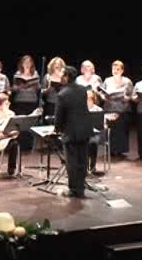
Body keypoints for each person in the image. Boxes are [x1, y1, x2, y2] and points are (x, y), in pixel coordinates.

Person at [54, 66, 93, 198]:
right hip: (84, 130)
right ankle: (80, 188)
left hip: (71, 131)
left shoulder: (62, 94)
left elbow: (59, 116)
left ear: (67, 77)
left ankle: (74, 190)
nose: (60, 77)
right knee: (82, 160)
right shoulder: (82, 90)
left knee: (71, 162)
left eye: (62, 75)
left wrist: (57, 129)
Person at [100, 60, 134, 157]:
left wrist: (126, 98)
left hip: (122, 109)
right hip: (109, 108)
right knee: (111, 132)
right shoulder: (107, 80)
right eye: (114, 69)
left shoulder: (127, 81)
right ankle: (111, 150)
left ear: (122, 70)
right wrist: (103, 96)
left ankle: (120, 150)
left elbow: (132, 95)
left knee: (121, 131)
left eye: (118, 69)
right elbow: (102, 92)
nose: (115, 71)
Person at [11, 55, 40, 150]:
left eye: (29, 62)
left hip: (32, 101)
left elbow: (38, 88)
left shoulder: (35, 74)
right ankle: (21, 145)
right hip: (20, 101)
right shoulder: (18, 74)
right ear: (22, 64)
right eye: (25, 62)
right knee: (21, 123)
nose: (27, 64)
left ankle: (30, 145)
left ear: (32, 64)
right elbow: (13, 89)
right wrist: (19, 87)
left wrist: (35, 86)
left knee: (31, 123)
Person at [41, 56, 66, 123]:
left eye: (59, 64)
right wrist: (47, 89)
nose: (57, 65)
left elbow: (69, 90)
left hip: (62, 104)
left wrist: (61, 78)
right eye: (55, 64)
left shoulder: (65, 77)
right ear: (52, 66)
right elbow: (42, 92)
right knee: (50, 123)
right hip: (50, 104)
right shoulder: (47, 76)